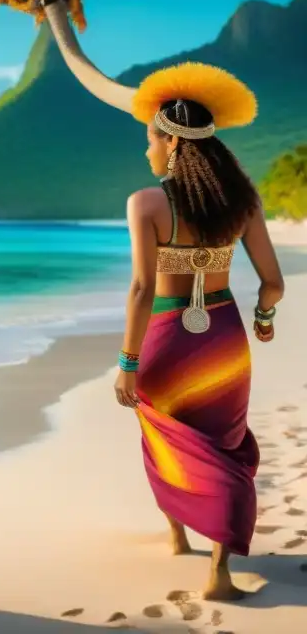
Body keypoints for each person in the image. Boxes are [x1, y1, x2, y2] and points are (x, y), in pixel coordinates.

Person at [113, 61, 284, 600]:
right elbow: (273, 283)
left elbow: (142, 290)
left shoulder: (146, 204)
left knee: (166, 439)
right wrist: (262, 318)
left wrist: (128, 362)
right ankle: (220, 574)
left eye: (151, 140)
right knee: (224, 446)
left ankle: (176, 537)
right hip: (222, 340)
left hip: (166, 337)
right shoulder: (242, 203)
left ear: (172, 143)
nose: (147, 151)